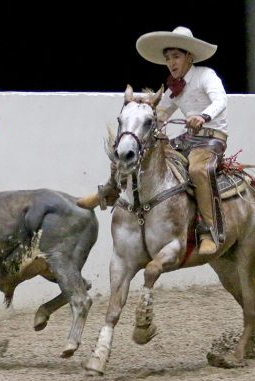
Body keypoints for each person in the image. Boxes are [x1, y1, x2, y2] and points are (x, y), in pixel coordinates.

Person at [77, 26, 228, 255]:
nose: (171, 62)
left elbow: (221, 100)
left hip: (210, 140)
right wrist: (142, 111)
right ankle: (108, 191)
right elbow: (162, 114)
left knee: (198, 170)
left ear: (189, 56)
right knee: (143, 154)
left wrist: (202, 116)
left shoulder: (206, 75)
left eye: (176, 57)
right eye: (167, 58)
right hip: (188, 139)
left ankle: (208, 232)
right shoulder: (174, 88)